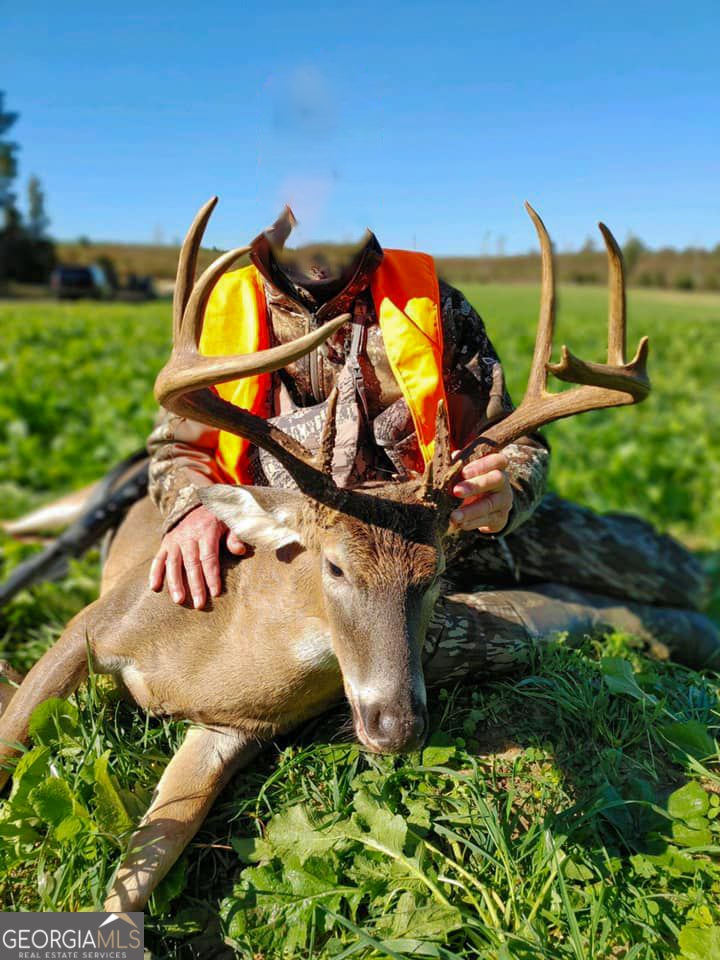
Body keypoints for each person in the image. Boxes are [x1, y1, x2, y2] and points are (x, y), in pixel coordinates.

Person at [145, 208, 719, 675]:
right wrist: (192, 505)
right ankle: (607, 622)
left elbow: (518, 439)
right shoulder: (223, 310)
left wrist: (507, 492)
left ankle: (676, 595)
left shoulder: (431, 304)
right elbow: (176, 445)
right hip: (315, 548)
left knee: (677, 576)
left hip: (447, 524)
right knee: (416, 649)